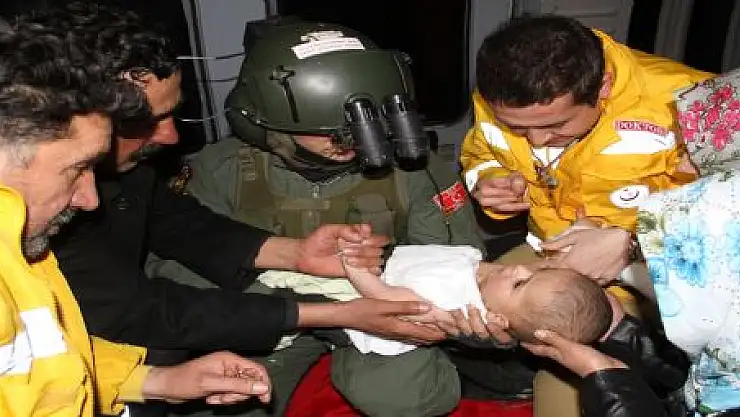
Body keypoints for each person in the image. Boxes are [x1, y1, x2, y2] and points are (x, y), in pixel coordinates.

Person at [4, 3, 447, 416]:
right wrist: (324, 312)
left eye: (171, 114)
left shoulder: (114, 172)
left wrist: (296, 254)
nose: (171, 137)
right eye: (143, 122)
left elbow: (176, 222)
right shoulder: (217, 169)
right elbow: (133, 308)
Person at [145, 17, 489, 417]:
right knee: (227, 401)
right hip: (267, 314)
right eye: (328, 131)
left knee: (405, 398)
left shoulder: (415, 169)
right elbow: (170, 266)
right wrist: (293, 306)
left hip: (376, 307)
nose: (349, 142)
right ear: (270, 122)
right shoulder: (223, 169)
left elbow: (454, 258)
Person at [0, 21, 273, 416]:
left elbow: (45, 357)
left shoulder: (19, 240)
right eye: (76, 169)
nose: (90, 199)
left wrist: (154, 381)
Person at [458, 14, 712, 417]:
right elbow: (480, 151)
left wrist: (633, 240)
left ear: (603, 86)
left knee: (567, 401)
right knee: (456, 299)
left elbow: (725, 216)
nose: (536, 140)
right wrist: (487, 180)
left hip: (662, 273)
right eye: (517, 128)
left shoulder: (695, 102)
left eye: (556, 125)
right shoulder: (505, 93)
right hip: (548, 253)